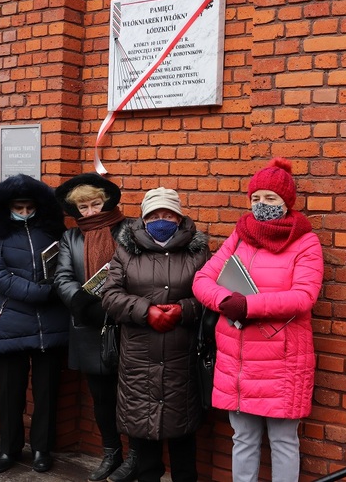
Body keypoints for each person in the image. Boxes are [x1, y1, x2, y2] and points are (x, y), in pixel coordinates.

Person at [192, 157, 324, 482]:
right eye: (256, 198)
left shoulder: (305, 242)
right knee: (243, 439)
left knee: (283, 441)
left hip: (282, 361)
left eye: (270, 198)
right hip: (237, 361)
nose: (261, 204)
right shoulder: (239, 237)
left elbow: (303, 296)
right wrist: (225, 301)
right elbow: (202, 280)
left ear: (286, 202)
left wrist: (248, 306)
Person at [100, 187, 209, 482]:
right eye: (154, 215)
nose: (162, 220)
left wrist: (184, 310)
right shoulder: (126, 250)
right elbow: (109, 295)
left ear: (179, 217)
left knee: (183, 439)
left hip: (181, 357)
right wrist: (145, 310)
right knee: (144, 437)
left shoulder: (197, 251)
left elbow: (209, 295)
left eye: (168, 215)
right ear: (144, 218)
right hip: (138, 358)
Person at [53, 173, 137, 482]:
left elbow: (141, 271)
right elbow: (62, 277)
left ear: (107, 201)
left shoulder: (129, 229)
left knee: (132, 397)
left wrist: (117, 304)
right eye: (83, 207)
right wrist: (81, 302)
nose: (90, 212)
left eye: (96, 204)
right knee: (101, 398)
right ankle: (111, 453)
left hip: (126, 325)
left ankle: (137, 456)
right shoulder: (71, 237)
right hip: (89, 326)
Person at [0, 174, 68, 474]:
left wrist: (56, 286)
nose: (24, 213)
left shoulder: (54, 232)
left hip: (50, 323)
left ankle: (42, 449)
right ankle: (9, 449)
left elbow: (66, 267)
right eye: (18, 208)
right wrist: (39, 292)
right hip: (10, 322)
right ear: (7, 207)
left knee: (47, 392)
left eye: (29, 208)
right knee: (10, 393)